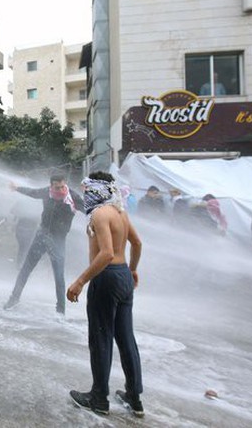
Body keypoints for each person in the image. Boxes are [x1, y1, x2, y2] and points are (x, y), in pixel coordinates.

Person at [67, 171, 144, 417]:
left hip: (107, 277)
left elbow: (107, 253)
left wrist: (80, 281)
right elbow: (138, 243)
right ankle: (134, 396)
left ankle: (99, 397)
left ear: (97, 190)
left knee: (101, 338)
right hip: (122, 276)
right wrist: (132, 270)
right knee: (125, 338)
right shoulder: (120, 213)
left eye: (88, 190)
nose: (85, 195)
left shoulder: (100, 214)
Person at [3, 175, 84, 315]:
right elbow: (33, 193)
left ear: (65, 184)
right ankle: (14, 298)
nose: (59, 190)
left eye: (62, 187)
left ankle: (60, 310)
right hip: (41, 235)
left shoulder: (73, 197)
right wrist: (17, 188)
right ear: (51, 186)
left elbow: (89, 210)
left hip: (58, 239)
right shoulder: (47, 192)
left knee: (59, 276)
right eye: (56, 187)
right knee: (26, 269)